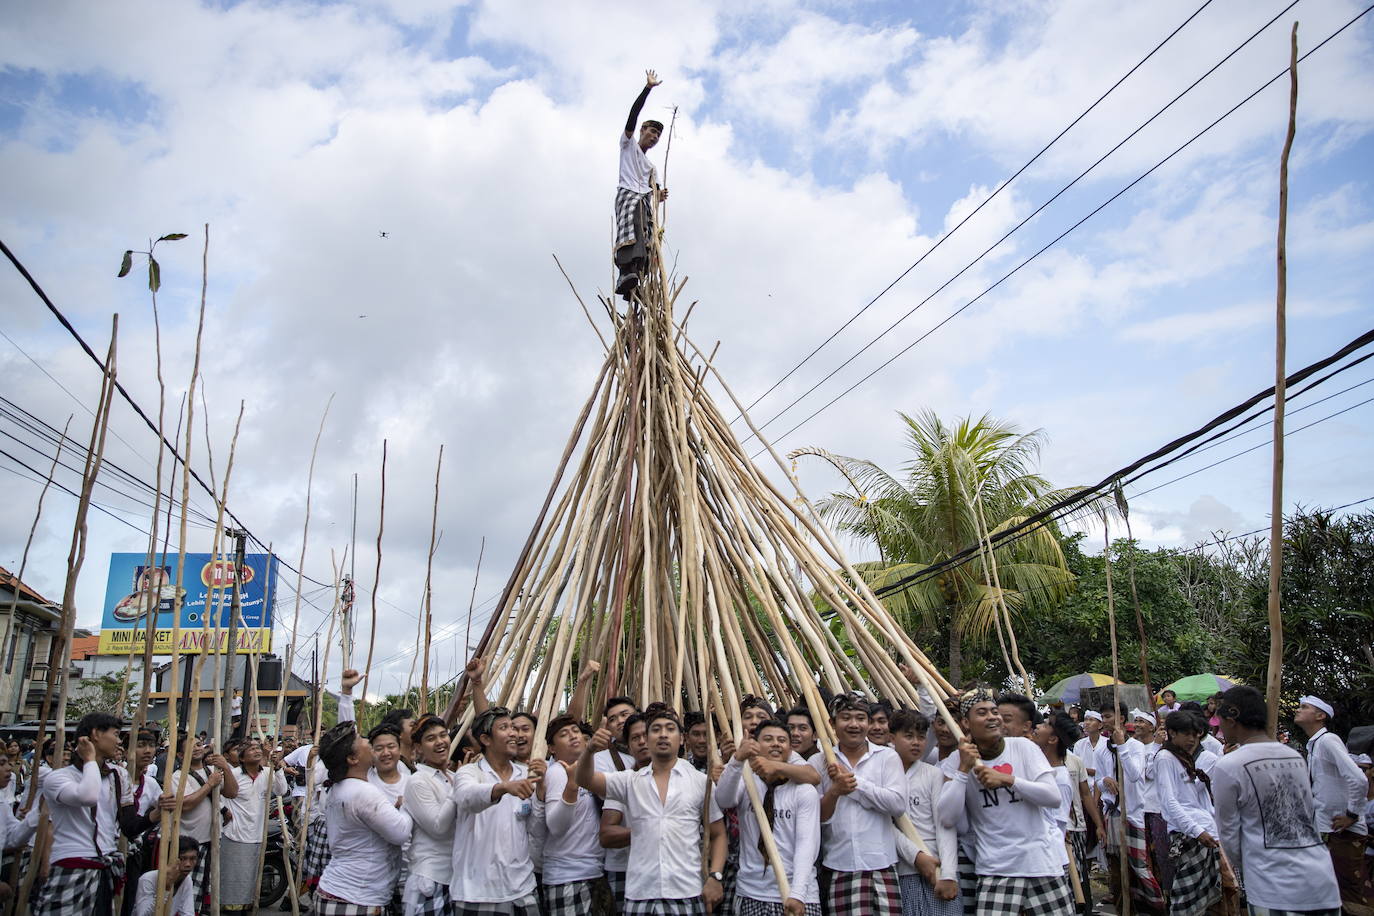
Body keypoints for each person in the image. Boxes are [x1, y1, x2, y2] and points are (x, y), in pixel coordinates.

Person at [577, 706, 727, 914]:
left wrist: (715, 876)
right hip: (640, 893)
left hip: (687, 891)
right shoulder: (630, 781)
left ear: (681, 739)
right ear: (647, 740)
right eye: (656, 730)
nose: (663, 734)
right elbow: (584, 779)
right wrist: (590, 750)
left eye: (670, 729)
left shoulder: (700, 781)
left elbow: (719, 834)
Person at [939, 691, 1074, 916]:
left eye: (994, 712)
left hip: (1041, 864)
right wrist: (963, 770)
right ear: (966, 723)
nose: (992, 717)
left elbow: (1053, 797)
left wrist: (1008, 780)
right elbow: (947, 818)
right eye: (982, 713)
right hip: (996, 870)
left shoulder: (1023, 747)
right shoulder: (957, 760)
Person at [1211, 686, 1341, 916]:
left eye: (1220, 720)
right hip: (1321, 878)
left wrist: (1251, 867)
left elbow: (1229, 834)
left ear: (1231, 720)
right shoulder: (1294, 757)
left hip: (1272, 886)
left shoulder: (1228, 766)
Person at [34, 713, 164, 916]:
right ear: (95, 734)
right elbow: (88, 796)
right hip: (72, 865)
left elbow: (129, 827)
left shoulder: (119, 775)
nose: (119, 742)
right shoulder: (58, 778)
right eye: (116, 734)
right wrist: (90, 759)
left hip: (105, 867)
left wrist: (157, 813)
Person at [810, 693, 906, 915]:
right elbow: (817, 818)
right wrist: (835, 791)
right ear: (832, 723)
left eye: (860, 718)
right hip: (839, 865)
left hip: (881, 864)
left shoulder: (887, 757)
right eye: (845, 718)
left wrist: (855, 783)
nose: (854, 724)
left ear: (869, 723)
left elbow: (897, 805)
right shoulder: (819, 761)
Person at [716, 716, 822, 916]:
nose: (775, 744)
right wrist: (737, 759)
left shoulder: (804, 790)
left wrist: (798, 893)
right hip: (751, 892)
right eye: (768, 739)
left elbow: (806, 844)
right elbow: (724, 799)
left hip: (796, 893)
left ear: (790, 749)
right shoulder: (746, 780)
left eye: (782, 740)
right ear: (755, 745)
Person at [309, 719, 412, 915]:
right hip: (357, 899)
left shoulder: (340, 789)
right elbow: (401, 833)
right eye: (360, 739)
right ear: (352, 759)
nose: (367, 741)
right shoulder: (363, 793)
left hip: (339, 892)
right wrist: (407, 805)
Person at [452, 706, 544, 914]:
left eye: (513, 727)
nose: (514, 733)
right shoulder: (469, 773)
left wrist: (542, 790)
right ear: (485, 739)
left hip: (523, 889)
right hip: (478, 893)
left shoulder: (527, 774)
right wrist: (502, 788)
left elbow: (536, 830)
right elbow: (467, 797)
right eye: (504, 728)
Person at [1295, 695, 1370, 911]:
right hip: (1330, 830)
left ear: (1320, 716)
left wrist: (1352, 814)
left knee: (1349, 896)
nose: (1298, 710)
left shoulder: (1328, 741)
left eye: (1304, 707)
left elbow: (1358, 779)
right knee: (1332, 892)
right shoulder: (1315, 744)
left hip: (1345, 832)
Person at [888, 709, 959, 916]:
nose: (916, 743)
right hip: (902, 871)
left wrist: (948, 874)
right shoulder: (882, 775)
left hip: (937, 868)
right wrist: (916, 856)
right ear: (892, 738)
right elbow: (884, 826)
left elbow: (944, 825)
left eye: (921, 737)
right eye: (908, 736)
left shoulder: (933, 774)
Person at [1154, 711, 1220, 916]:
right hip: (1189, 833)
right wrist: (1197, 831)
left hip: (1205, 829)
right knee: (1185, 898)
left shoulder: (1183, 757)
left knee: (1207, 895)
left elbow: (1196, 799)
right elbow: (1169, 802)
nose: (1192, 739)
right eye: (1187, 734)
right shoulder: (1165, 757)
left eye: (1195, 734)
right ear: (1172, 733)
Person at [542, 714, 607, 914]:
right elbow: (556, 826)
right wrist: (571, 787)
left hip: (593, 871)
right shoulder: (557, 772)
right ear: (552, 748)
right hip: (568, 876)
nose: (572, 736)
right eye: (564, 734)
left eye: (575, 731)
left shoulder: (592, 770)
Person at [614, 69, 668, 298]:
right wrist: (647, 89)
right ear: (642, 130)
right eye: (652, 131)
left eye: (658, 135)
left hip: (643, 202)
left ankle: (635, 283)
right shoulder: (628, 146)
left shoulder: (651, 167)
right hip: (629, 195)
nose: (654, 137)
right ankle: (626, 272)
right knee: (633, 227)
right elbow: (633, 114)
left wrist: (660, 195)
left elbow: (656, 191)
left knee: (647, 239)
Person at [166, 736, 234, 912]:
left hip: (213, 840)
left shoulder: (213, 770)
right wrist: (210, 784)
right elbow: (185, 805)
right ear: (181, 755)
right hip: (189, 844)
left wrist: (226, 767)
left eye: (198, 744)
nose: (197, 748)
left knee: (206, 891)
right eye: (191, 746)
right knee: (186, 894)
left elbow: (232, 792)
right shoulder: (177, 777)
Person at [220, 736, 288, 911]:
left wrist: (278, 768)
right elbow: (217, 797)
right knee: (233, 882)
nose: (257, 751)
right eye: (251, 749)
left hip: (257, 835)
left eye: (258, 748)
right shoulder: (232, 775)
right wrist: (224, 812)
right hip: (235, 834)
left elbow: (281, 790)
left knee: (251, 881)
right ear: (242, 758)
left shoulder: (267, 773)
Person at [402, 713, 457, 915]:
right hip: (430, 879)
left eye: (443, 735)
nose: (440, 742)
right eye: (431, 738)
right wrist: (460, 788)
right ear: (418, 747)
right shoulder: (418, 781)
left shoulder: (453, 777)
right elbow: (438, 827)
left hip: (455, 878)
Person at [596, 695, 640, 909]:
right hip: (621, 862)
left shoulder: (656, 752)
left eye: (625, 715)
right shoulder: (601, 759)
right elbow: (607, 793)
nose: (620, 721)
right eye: (613, 719)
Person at [131, 835, 200, 916]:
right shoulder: (148, 879)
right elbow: (143, 914)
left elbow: (188, 913)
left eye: (192, 859)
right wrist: (166, 888)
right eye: (182, 859)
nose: (188, 864)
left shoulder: (187, 880)